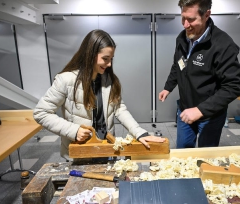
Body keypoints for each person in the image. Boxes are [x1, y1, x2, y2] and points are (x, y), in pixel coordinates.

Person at [34, 29, 165, 161]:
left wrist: (139, 133)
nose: (109, 64)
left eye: (111, 59)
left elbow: (119, 109)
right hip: (80, 154)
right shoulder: (66, 80)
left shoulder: (108, 79)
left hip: (107, 150)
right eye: (105, 59)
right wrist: (73, 131)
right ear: (90, 55)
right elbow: (41, 113)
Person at [159, 0, 240, 149]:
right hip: (185, 109)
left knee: (205, 156)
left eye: (191, 19)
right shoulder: (182, 38)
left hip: (210, 115)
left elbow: (234, 86)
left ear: (206, 15)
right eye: (183, 18)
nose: (185, 25)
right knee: (183, 152)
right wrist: (168, 87)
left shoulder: (223, 44)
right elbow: (178, 65)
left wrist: (200, 110)